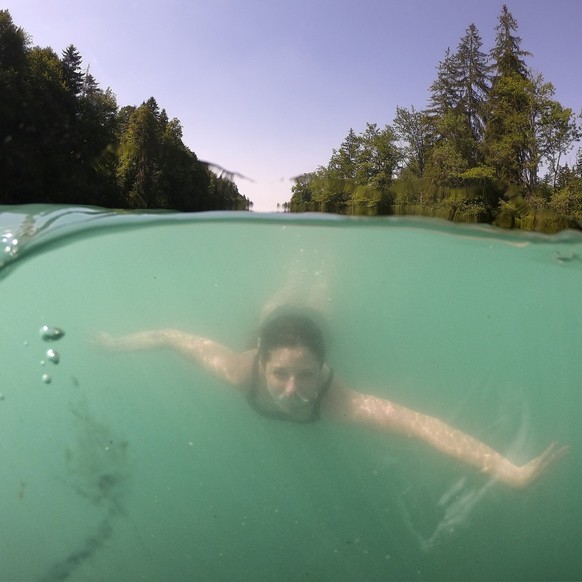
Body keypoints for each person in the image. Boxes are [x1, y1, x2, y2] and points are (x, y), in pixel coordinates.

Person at [97, 307, 566, 489]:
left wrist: (509, 470)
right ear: (261, 363)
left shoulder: (338, 401)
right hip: (267, 331)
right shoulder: (237, 370)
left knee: (314, 309)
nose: (293, 392)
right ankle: (282, 302)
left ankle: (313, 300)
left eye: (306, 374)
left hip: (313, 331)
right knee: (273, 310)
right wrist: (117, 345)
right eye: (280, 373)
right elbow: (171, 335)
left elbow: (423, 426)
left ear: (322, 369)